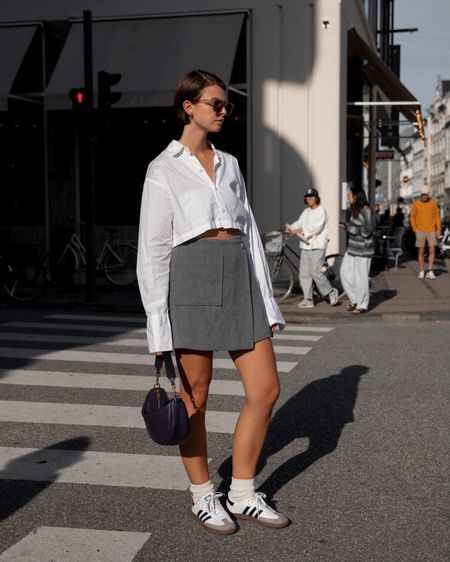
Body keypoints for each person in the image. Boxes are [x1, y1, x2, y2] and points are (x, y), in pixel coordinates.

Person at [137, 69, 290, 535]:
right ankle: (204, 494)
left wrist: (268, 301)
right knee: (195, 398)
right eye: (215, 104)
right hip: (192, 277)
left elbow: (249, 234)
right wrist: (158, 328)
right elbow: (153, 251)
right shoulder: (163, 168)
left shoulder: (230, 164)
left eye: (226, 105)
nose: (224, 111)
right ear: (189, 107)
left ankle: (242, 492)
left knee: (265, 389)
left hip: (238, 271)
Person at [286, 188, 339, 308]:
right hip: (305, 246)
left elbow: (316, 228)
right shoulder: (306, 212)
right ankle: (308, 299)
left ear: (316, 198)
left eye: (311, 197)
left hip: (318, 245)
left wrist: (299, 230)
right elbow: (298, 223)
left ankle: (330, 292)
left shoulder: (322, 211)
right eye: (307, 197)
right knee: (304, 274)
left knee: (316, 272)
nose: (309, 199)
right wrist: (290, 229)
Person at [340, 187, 375, 314]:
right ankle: (355, 300)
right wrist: (348, 227)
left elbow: (368, 230)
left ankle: (362, 304)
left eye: (349, 195)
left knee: (361, 277)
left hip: (363, 249)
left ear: (356, 197)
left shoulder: (366, 210)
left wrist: (351, 228)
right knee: (344, 272)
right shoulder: (355, 210)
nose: (348, 197)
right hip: (353, 248)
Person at [410, 191, 441, 279]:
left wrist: (438, 230)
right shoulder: (416, 204)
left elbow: (437, 217)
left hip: (431, 230)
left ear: (428, 195)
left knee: (432, 249)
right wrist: (414, 228)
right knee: (421, 251)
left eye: (426, 195)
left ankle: (430, 270)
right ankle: (421, 270)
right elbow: (412, 216)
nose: (424, 197)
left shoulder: (432, 204)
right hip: (420, 230)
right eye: (423, 195)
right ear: (420, 196)